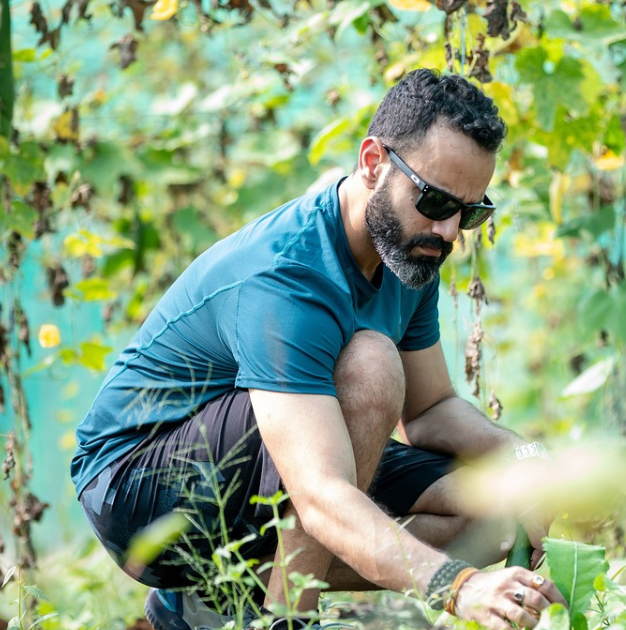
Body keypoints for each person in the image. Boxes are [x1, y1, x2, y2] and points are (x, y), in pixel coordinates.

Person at [70, 68, 565, 630]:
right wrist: (456, 586)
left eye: (469, 213)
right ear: (373, 163)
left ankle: (221, 594)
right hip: (136, 485)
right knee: (372, 364)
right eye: (434, 200)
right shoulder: (287, 274)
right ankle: (285, 619)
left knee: (491, 511)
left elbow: (429, 413)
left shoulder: (409, 252)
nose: (450, 231)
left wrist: (524, 458)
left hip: (281, 448)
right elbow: (322, 491)